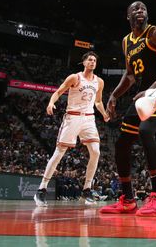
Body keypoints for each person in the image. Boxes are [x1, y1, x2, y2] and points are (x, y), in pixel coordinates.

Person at [99, 2, 156, 216]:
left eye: (143, 8)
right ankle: (127, 199)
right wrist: (114, 96)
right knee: (122, 143)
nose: (140, 11)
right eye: (135, 9)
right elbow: (130, 75)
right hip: (144, 94)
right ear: (128, 17)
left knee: (145, 131)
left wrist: (151, 91)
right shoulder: (127, 42)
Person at [34, 51, 109, 207]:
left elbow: (99, 101)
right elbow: (59, 91)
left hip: (89, 118)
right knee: (59, 152)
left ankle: (86, 189)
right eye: (90, 60)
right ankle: (41, 189)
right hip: (73, 117)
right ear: (83, 62)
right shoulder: (75, 77)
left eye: (95, 60)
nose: (92, 62)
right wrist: (50, 103)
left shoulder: (99, 82)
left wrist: (104, 114)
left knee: (96, 151)